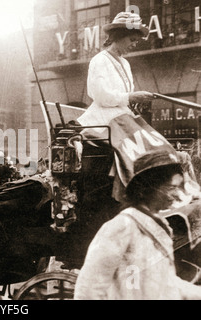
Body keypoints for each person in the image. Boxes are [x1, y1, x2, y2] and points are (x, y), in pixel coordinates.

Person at [74, 149, 201, 299]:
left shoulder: (161, 227)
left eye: (177, 187)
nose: (176, 194)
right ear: (147, 188)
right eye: (170, 187)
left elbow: (167, 284)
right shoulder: (122, 226)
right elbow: (88, 288)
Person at [77, 11, 154, 127]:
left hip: (122, 118)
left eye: (137, 41)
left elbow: (126, 96)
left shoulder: (125, 63)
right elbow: (100, 96)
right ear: (118, 36)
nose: (134, 45)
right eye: (132, 39)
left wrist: (136, 100)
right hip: (104, 121)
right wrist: (130, 97)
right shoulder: (100, 60)